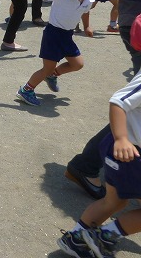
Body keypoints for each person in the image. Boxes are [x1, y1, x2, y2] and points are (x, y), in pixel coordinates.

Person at [64, 0, 141, 201]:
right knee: (133, 103)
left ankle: (92, 162)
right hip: (137, 21)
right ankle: (87, 163)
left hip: (130, 18)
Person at [57, 72, 141, 258]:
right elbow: (118, 102)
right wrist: (121, 139)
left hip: (127, 152)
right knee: (115, 201)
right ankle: (104, 237)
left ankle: (75, 239)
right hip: (128, 152)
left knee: (114, 201)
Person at [12, 0, 105, 106]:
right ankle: (26, 90)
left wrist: (87, 26)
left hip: (67, 35)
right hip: (53, 35)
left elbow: (85, 11)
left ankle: (52, 75)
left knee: (77, 64)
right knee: (47, 68)